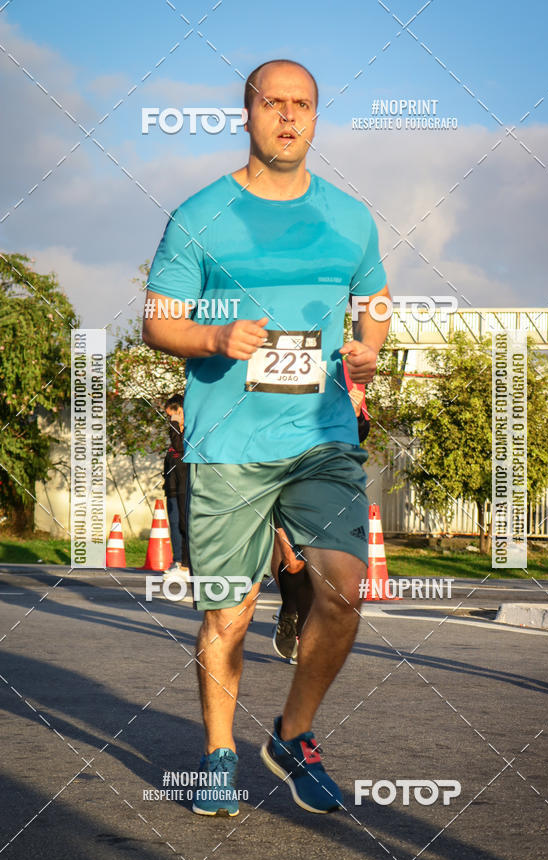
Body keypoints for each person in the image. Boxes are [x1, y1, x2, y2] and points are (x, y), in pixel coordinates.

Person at [143, 58, 390, 817]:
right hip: (228, 444)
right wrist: (215, 339)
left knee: (343, 593)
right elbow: (157, 320)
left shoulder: (351, 218)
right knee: (228, 613)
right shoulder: (198, 216)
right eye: (273, 103)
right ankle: (218, 754)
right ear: (245, 113)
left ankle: (294, 733)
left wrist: (369, 351)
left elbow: (373, 299)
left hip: (320, 432)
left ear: (317, 117)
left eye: (303, 104)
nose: (288, 117)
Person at [271, 361, 371, 664]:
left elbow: (360, 431)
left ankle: (302, 636)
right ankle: (289, 610)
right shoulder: (280, 366)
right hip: (284, 473)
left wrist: (354, 413)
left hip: (328, 481)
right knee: (293, 562)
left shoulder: (341, 367)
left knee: (316, 565)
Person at [162, 394, 190, 582]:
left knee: (184, 524)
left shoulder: (189, 432)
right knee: (174, 524)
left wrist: (175, 424)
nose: (171, 419)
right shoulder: (176, 431)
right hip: (173, 487)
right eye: (169, 416)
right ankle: (178, 561)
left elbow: (178, 447)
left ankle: (186, 565)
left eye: (174, 414)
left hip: (184, 487)